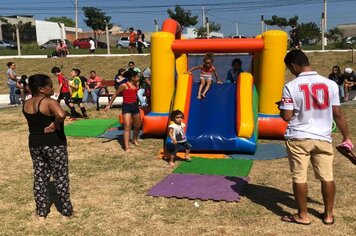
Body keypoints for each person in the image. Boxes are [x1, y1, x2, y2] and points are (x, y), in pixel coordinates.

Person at [278, 50, 353, 225]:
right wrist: (346, 137)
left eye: (290, 69)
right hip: (323, 137)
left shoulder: (291, 86)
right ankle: (328, 215)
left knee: (299, 176)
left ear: (293, 66)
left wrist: (280, 108)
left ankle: (303, 215)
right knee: (327, 176)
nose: (291, 72)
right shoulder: (330, 84)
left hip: (298, 137)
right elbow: (338, 113)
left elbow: (287, 116)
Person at [22, 74, 73, 219]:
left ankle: (41, 212)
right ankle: (66, 211)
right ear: (41, 89)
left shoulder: (26, 103)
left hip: (35, 143)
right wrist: (54, 124)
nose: (52, 88)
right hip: (54, 143)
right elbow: (61, 114)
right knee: (60, 177)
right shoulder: (49, 102)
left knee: (40, 176)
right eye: (50, 86)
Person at [104, 70, 141, 152]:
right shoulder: (124, 85)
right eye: (137, 76)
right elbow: (115, 94)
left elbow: (136, 95)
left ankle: (134, 139)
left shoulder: (136, 84)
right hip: (127, 106)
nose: (138, 78)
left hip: (135, 106)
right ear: (132, 77)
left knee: (138, 125)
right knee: (127, 126)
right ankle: (127, 147)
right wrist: (109, 105)